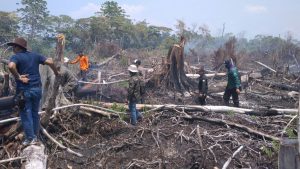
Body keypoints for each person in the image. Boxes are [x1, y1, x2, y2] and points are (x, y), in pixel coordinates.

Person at [7, 37, 59, 145]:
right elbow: (50, 61)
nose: (13, 48)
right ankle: (35, 136)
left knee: (26, 114)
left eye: (14, 46)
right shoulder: (35, 55)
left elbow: (11, 66)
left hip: (24, 91)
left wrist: (18, 77)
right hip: (37, 89)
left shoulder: (16, 57)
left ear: (18, 47)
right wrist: (56, 73)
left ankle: (30, 139)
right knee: (35, 113)